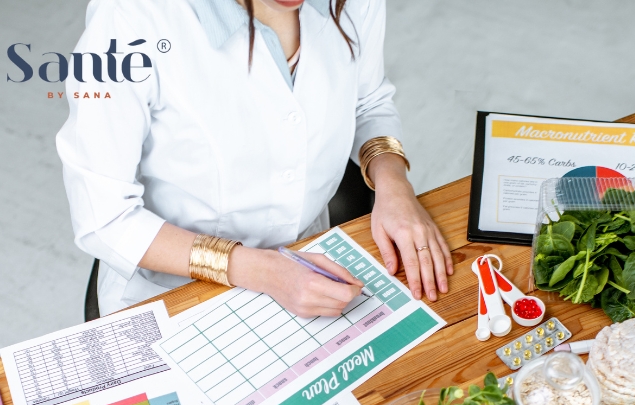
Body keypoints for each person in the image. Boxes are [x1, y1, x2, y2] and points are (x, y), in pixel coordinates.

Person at [57, 0, 453, 319]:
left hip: (310, 264)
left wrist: (394, 186)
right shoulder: (129, 18)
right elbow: (104, 217)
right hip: (174, 292)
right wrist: (263, 271)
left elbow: (368, 101)